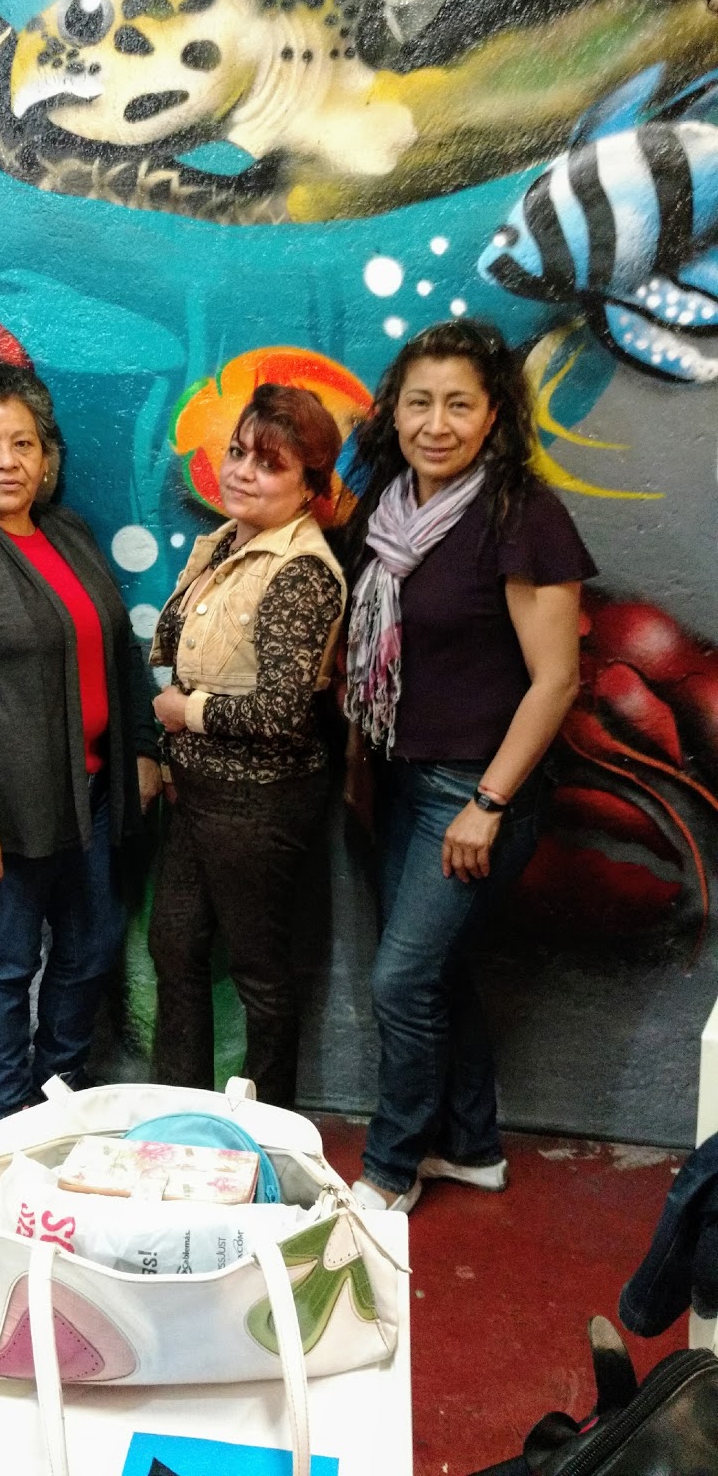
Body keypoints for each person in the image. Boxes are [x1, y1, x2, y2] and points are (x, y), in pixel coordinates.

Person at [342, 319, 596, 1213]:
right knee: (437, 974)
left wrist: (488, 803)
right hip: (401, 779)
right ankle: (472, 1147)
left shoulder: (524, 516)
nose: (436, 424)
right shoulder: (385, 511)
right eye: (420, 402)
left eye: (460, 404)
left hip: (477, 790)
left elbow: (556, 681)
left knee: (403, 980)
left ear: (494, 416)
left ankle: (389, 1169)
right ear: (395, 411)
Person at [0, 362, 161, 1129]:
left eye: (22, 444)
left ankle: (58, 1087)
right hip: (4, 811)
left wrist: (142, 747)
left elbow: (119, 649)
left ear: (46, 457)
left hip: (93, 794)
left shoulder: (67, 533)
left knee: (94, 944)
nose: (6, 461)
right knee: (8, 962)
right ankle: (9, 1118)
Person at [147, 383, 347, 1108]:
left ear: (309, 487)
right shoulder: (226, 543)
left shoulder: (301, 570)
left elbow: (283, 712)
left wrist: (185, 712)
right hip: (200, 789)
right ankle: (182, 1120)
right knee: (175, 946)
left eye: (269, 464)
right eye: (238, 452)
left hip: (258, 800)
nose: (241, 472)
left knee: (261, 976)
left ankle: (265, 1139)